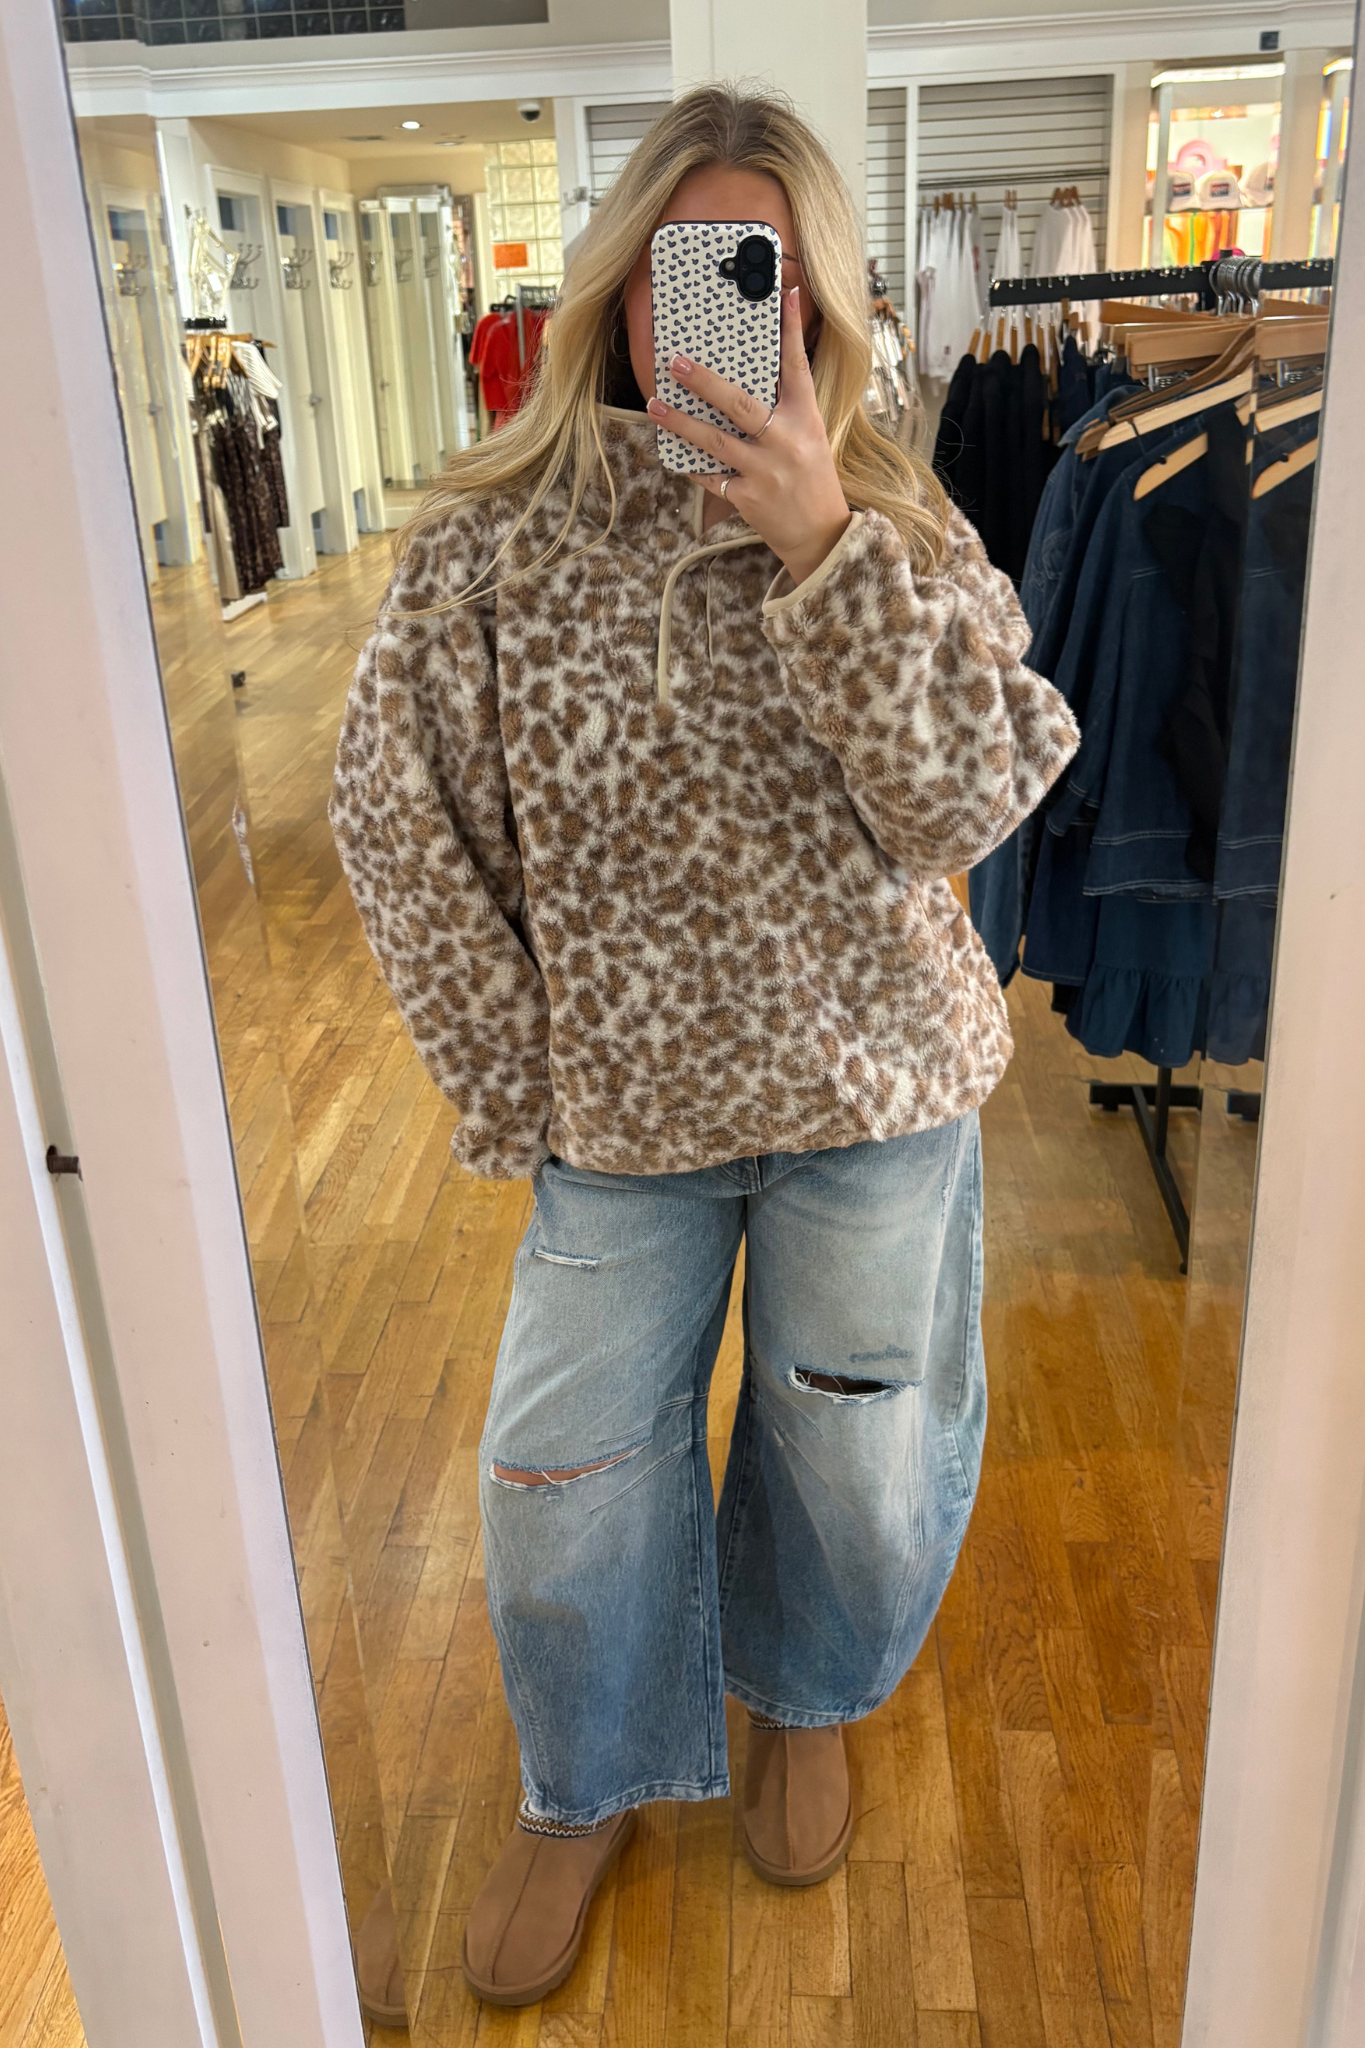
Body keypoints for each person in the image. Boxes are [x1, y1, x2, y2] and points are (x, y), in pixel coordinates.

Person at [331, 84, 1078, 2020]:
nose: (720, 313)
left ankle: (801, 1696)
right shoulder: (492, 546)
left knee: (850, 1446)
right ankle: (586, 1778)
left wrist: (825, 547)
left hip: (871, 1097)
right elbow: (395, 819)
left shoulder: (897, 516)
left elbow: (974, 800)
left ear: (815, 298)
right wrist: (524, 1082)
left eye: (758, 273)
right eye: (687, 269)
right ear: (621, 283)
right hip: (623, 1124)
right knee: (559, 1471)